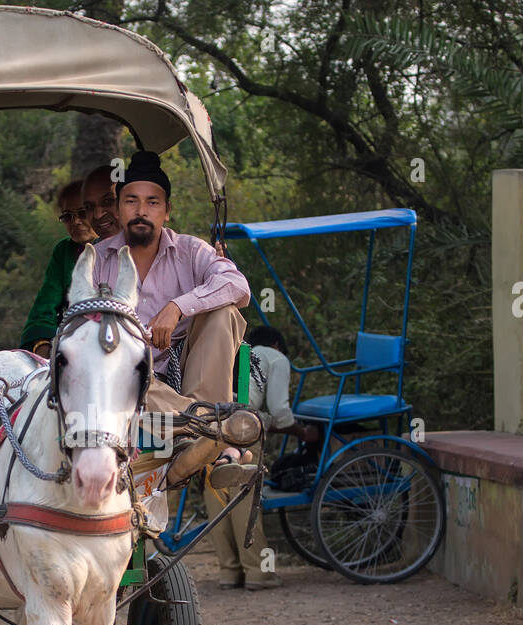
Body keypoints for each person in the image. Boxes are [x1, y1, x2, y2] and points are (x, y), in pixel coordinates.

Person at [91, 150, 258, 487]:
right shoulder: (97, 258)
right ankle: (210, 432)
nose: (141, 211)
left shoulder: (191, 251)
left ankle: (197, 433)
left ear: (167, 211)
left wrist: (178, 306)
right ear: (119, 210)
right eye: (131, 201)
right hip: (130, 385)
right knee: (111, 363)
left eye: (153, 202)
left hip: (187, 373)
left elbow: (238, 286)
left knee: (223, 312)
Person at [205, 326, 322, 589]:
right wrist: (303, 433)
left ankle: (229, 572)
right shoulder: (275, 357)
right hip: (243, 425)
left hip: (210, 420)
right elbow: (280, 409)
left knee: (216, 493)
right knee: (244, 496)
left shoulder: (237, 354)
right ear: (277, 344)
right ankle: (258, 572)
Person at [21, 179, 96, 356]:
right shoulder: (64, 251)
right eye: (67, 216)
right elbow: (46, 304)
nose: (76, 222)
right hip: (71, 339)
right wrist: (42, 342)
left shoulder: (123, 247)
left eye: (82, 213)